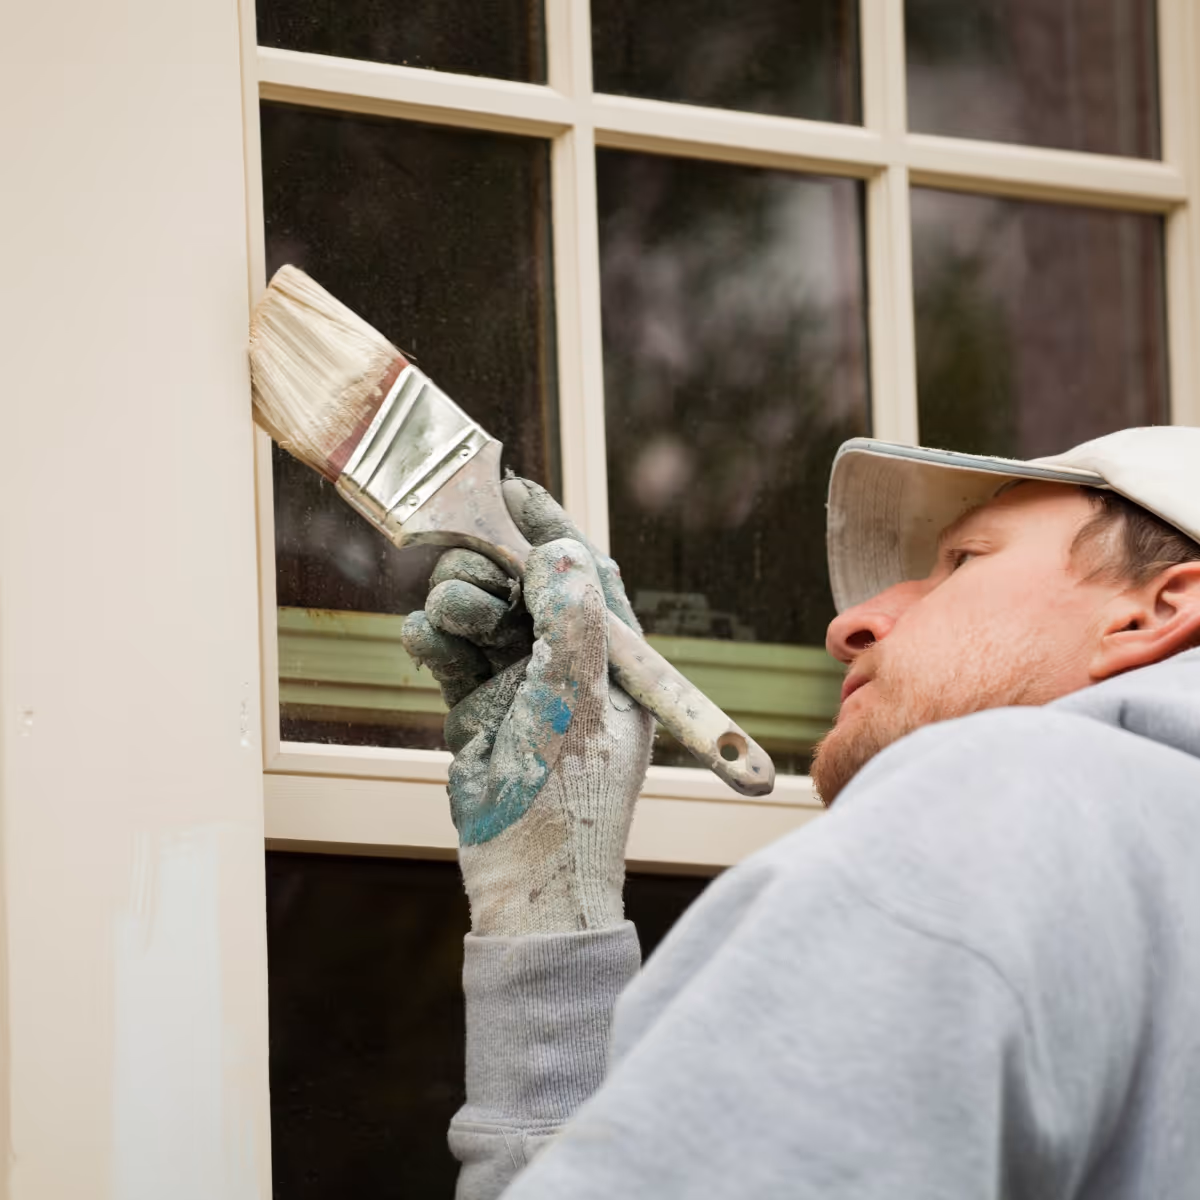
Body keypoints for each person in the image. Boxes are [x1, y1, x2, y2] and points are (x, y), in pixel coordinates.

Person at [400, 426, 1200, 1199]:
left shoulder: (987, 816)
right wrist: (549, 897)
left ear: (1156, 612)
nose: (849, 626)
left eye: (960, 561)